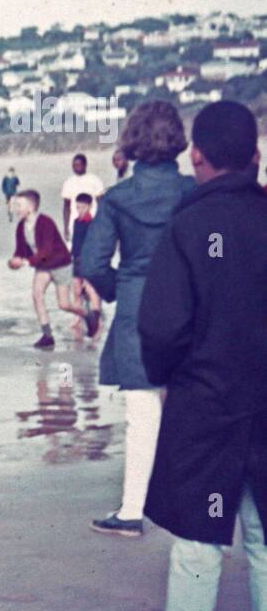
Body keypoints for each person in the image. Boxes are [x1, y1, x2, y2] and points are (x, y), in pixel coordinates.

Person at [137, 100, 267, 611]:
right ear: (256, 157)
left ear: (197, 157)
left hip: (204, 406)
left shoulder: (189, 227)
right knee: (265, 547)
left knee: (197, 547)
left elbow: (162, 325)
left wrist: (167, 379)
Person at [80, 101, 195, 538]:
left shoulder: (117, 199)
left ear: (131, 142)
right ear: (178, 142)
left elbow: (92, 264)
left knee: (141, 412)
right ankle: (189, 502)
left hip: (136, 308)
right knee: (186, 406)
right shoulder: (191, 192)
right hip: (187, 306)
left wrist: (117, 289)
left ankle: (132, 509)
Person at [8, 190, 98, 348]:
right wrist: (14, 261)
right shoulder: (21, 226)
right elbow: (20, 251)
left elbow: (47, 250)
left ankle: (88, 315)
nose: (16, 208)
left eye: (19, 205)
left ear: (31, 207)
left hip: (61, 264)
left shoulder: (45, 222)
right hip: (43, 266)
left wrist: (27, 262)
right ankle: (47, 335)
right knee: (37, 295)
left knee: (64, 304)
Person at [69, 192, 104, 339]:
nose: (79, 210)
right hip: (76, 259)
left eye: (82, 207)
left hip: (89, 260)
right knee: (77, 291)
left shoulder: (93, 223)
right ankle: (79, 317)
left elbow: (96, 244)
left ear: (89, 206)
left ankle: (98, 319)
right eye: (77, 207)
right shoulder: (76, 221)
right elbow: (75, 242)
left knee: (90, 289)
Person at [60, 153, 105, 241]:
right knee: (76, 249)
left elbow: (101, 204)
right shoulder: (68, 183)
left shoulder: (95, 180)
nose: (76, 167)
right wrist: (65, 228)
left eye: (78, 165)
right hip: (75, 221)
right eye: (74, 165)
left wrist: (102, 223)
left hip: (92, 220)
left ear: (85, 165)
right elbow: (66, 206)